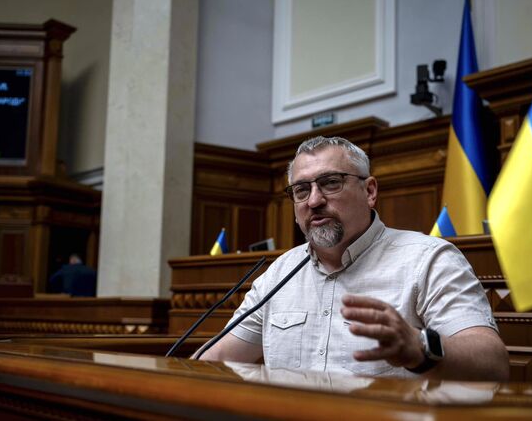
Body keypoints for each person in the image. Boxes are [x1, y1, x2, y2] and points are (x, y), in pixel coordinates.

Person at [198, 136, 509, 381]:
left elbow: (493, 363)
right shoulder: (279, 273)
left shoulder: (429, 260)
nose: (314, 200)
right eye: (301, 190)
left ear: (370, 191)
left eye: (331, 183)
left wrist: (420, 347)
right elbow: (215, 361)